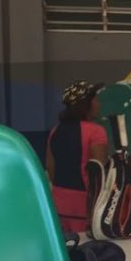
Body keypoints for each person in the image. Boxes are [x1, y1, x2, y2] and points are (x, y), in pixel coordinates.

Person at [46, 80, 108, 233]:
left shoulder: (55, 131)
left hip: (58, 205)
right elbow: (98, 173)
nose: (98, 104)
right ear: (86, 104)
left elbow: (50, 169)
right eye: (96, 100)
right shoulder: (96, 132)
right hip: (85, 207)